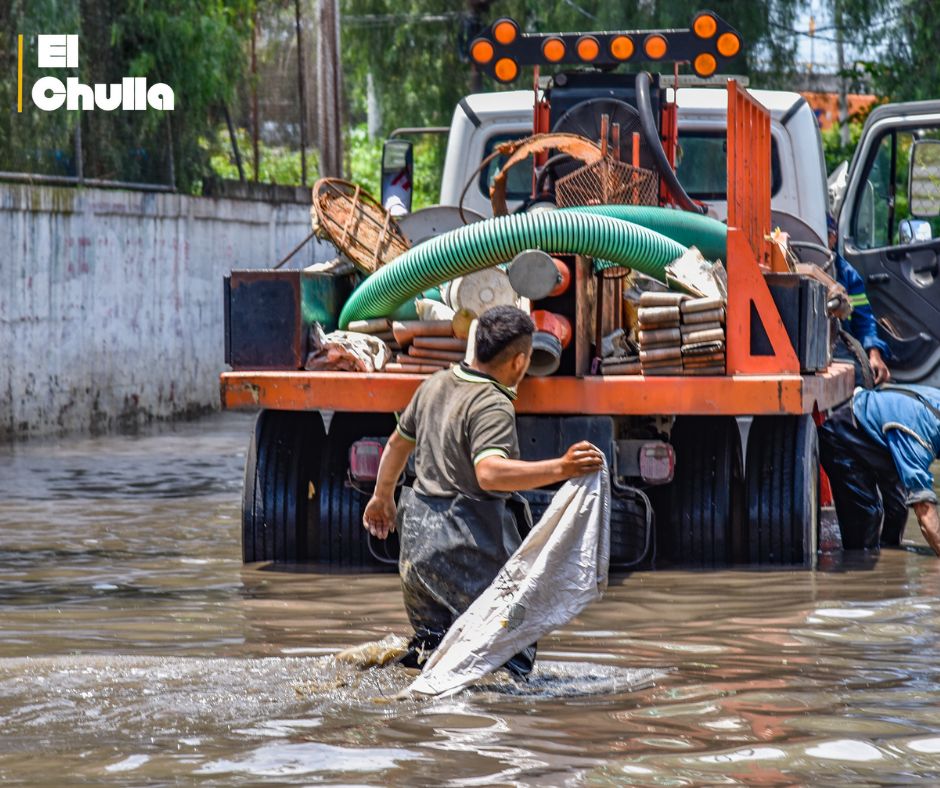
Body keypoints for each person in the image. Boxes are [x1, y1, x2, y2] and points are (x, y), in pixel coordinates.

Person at [362, 305, 605, 676]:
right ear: (520, 360)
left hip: (416, 552)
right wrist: (562, 468)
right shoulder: (493, 403)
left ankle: (381, 676)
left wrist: (381, 499)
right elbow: (489, 473)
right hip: (465, 550)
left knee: (433, 655)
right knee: (504, 662)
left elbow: (396, 445)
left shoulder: (434, 384)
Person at [819, 385, 940, 556]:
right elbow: (924, 507)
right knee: (868, 515)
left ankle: (890, 558)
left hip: (882, 441)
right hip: (843, 436)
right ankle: (860, 567)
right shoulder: (921, 437)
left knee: (897, 508)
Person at [828, 214, 892, 385]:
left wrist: (874, 354)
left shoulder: (848, 275)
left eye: (826, 235)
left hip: (840, 350)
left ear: (833, 238)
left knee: (861, 379)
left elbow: (864, 321)